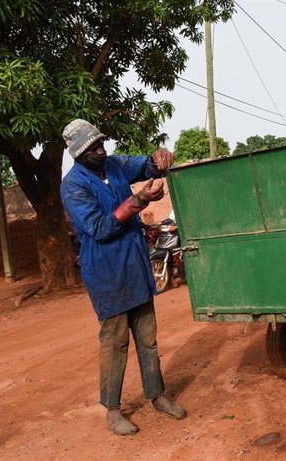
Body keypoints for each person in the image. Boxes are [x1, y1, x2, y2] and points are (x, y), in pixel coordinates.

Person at [60, 119, 186, 435]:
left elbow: (145, 165)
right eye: (93, 148)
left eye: (101, 143)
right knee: (115, 343)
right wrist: (138, 201)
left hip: (135, 266)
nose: (101, 150)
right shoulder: (73, 186)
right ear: (78, 153)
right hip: (106, 273)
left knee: (147, 338)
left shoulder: (115, 165)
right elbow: (100, 228)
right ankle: (113, 410)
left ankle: (157, 396)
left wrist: (158, 159)